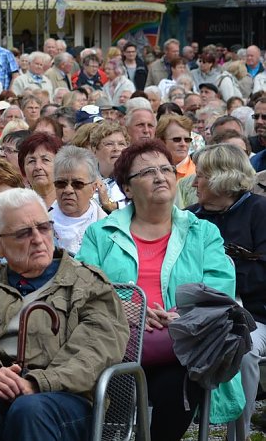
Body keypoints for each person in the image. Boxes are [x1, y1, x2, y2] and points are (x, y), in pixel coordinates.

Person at [0, 188, 129, 441]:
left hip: (62, 400)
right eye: (23, 233)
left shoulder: (88, 284)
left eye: (44, 227)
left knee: (29, 410)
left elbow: (98, 348)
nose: (38, 238)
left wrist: (37, 383)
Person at [77, 140, 242, 440]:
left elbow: (220, 290)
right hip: (115, 347)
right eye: (148, 171)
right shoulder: (100, 233)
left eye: (166, 169)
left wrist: (178, 316)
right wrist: (125, 309)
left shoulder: (202, 232)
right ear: (127, 188)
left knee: (185, 376)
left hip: (179, 347)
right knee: (107, 382)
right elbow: (82, 288)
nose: (160, 176)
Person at [187, 144, 266, 441]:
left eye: (201, 176)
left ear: (222, 178)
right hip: (197, 315)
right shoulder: (190, 217)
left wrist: (223, 274)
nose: (194, 183)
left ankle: (239, 436)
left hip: (256, 315)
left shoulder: (260, 211)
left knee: (242, 351)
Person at [49, 146, 106, 255]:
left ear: (93, 188)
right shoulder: (40, 223)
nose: (68, 190)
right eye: (61, 183)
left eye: (77, 184)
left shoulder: (108, 228)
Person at [89, 120, 131, 211]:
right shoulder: (86, 178)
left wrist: (109, 204)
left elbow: (141, 205)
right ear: (94, 149)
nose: (116, 149)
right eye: (109, 144)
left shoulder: (134, 178)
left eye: (121, 144)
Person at [18, 132, 63, 209]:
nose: (38, 167)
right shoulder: (18, 206)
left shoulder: (72, 204)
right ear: (23, 169)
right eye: (31, 161)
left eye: (45, 160)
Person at [156, 113, 196, 179]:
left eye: (187, 140)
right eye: (177, 139)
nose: (183, 144)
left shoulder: (196, 174)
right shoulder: (150, 169)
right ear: (162, 141)